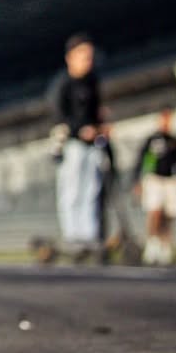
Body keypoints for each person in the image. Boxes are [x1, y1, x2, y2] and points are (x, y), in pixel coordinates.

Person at [48, 32, 105, 262]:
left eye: (90, 56)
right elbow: (58, 114)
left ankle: (87, 234)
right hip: (70, 144)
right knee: (71, 190)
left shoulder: (92, 82)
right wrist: (78, 129)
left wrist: (99, 127)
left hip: (91, 145)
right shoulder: (62, 84)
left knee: (90, 189)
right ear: (70, 57)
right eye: (83, 56)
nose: (87, 61)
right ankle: (73, 236)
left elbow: (97, 111)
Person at [133, 109, 176, 265]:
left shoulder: (175, 141)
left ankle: (165, 245)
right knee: (155, 211)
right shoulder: (153, 140)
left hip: (171, 180)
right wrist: (137, 181)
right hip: (154, 179)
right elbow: (141, 160)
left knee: (170, 214)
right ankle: (153, 243)